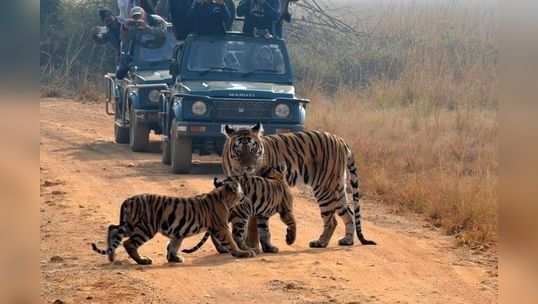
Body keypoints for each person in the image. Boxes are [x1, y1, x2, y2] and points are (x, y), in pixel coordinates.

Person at [116, 6, 168, 79]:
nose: (137, 19)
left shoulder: (156, 20)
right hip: (142, 62)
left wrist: (147, 28)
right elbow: (124, 41)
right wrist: (125, 28)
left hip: (165, 57)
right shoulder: (132, 25)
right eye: (135, 17)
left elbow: (165, 33)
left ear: (145, 15)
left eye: (139, 16)